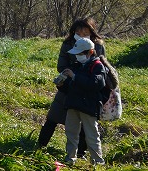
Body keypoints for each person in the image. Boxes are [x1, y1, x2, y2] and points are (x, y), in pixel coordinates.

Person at [37, 18, 104, 151]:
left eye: (85, 32)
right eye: (78, 31)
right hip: (68, 86)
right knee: (54, 116)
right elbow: (61, 65)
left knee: (86, 122)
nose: (81, 34)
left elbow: (100, 66)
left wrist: (83, 78)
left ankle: (81, 152)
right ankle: (40, 145)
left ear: (91, 31)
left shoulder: (98, 45)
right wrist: (71, 76)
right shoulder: (68, 44)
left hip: (88, 88)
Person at [56, 37, 107, 165]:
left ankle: (97, 161)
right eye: (76, 54)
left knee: (91, 135)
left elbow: (96, 84)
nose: (77, 56)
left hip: (88, 105)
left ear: (90, 52)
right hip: (73, 104)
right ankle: (70, 158)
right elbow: (70, 86)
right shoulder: (76, 66)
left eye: (80, 54)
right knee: (71, 132)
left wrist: (75, 77)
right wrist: (62, 84)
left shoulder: (97, 66)